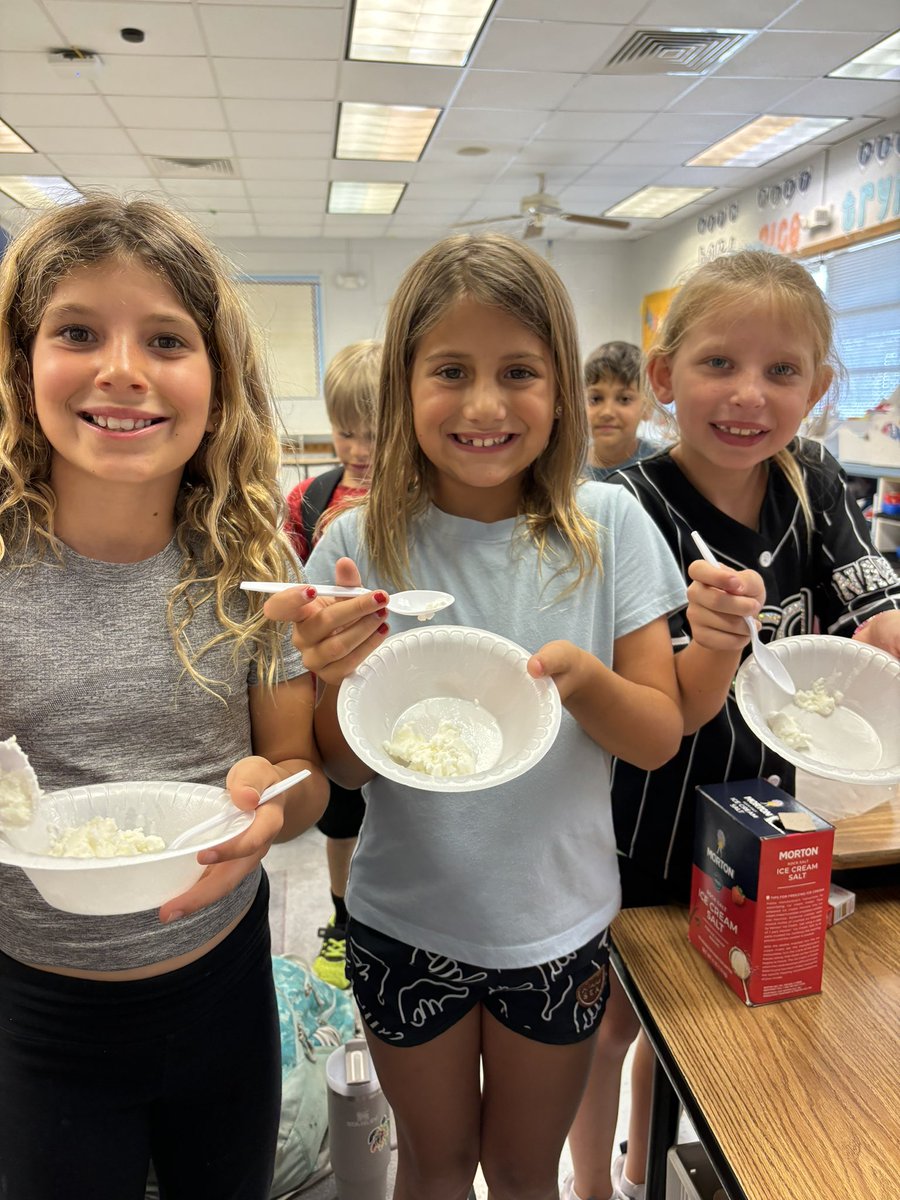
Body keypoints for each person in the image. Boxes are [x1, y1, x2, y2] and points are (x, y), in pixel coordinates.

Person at [263, 232, 765, 1200]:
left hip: (557, 925)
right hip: (404, 921)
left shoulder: (608, 526)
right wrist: (343, 679)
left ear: (561, 388)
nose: (486, 405)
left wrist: (582, 681)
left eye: (520, 373)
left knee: (525, 1171)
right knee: (435, 1165)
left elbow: (657, 738)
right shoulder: (357, 542)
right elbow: (342, 772)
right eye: (451, 371)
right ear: (404, 387)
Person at [0, 193, 329, 1200]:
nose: (122, 370)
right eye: (77, 333)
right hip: (34, 1010)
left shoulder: (251, 567)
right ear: (20, 367)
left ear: (217, 384)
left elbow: (302, 775)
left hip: (221, 990)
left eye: (166, 340)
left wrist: (270, 802)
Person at [564, 248, 900, 1200]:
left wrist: (887, 636)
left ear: (818, 389)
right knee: (613, 1022)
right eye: (719, 363)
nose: (749, 394)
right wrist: (708, 639)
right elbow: (658, 701)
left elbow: (873, 613)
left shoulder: (813, 478)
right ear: (665, 378)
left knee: (706, 1015)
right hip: (639, 815)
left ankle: (643, 1164)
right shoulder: (621, 507)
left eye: (781, 370)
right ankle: (591, 1184)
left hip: (762, 815)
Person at [284, 339, 381, 989]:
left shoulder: (422, 497)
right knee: (341, 813)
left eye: (373, 433)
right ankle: (344, 918)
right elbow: (287, 585)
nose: (358, 449)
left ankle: (383, 914)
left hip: (397, 677)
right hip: (332, 684)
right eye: (345, 432)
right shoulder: (310, 498)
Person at [582, 341, 659, 480]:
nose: (607, 412)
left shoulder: (659, 468)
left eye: (624, 399)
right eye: (596, 399)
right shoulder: (568, 468)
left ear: (647, 408)